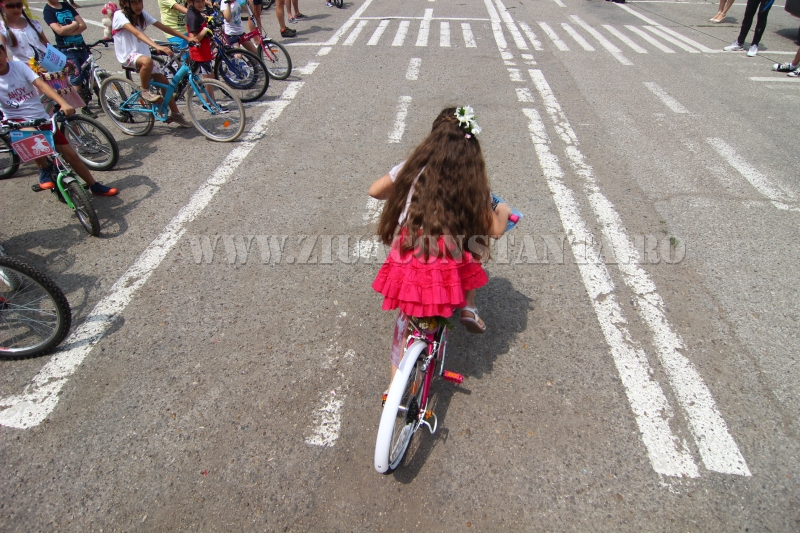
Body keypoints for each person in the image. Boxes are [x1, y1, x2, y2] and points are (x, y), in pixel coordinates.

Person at [369, 106, 512, 385]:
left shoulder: (411, 167)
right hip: (449, 258)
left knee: (405, 323)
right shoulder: (471, 182)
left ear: (432, 139)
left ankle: (392, 391)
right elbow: (495, 230)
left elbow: (374, 191)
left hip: (410, 254)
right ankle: (468, 307)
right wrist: (503, 209)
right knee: (473, 248)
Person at [0, 42, 117, 195]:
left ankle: (94, 185)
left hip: (40, 117)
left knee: (71, 155)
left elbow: (41, 85)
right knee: (32, 136)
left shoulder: (18, 67)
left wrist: (63, 103)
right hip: (17, 120)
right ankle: (43, 169)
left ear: (5, 53)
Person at [107, 0, 192, 126]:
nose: (139, 6)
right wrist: (157, 46)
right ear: (125, 3)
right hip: (127, 55)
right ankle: (144, 90)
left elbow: (164, 27)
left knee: (165, 83)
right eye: (135, 3)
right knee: (147, 61)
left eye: (140, 2)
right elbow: (137, 33)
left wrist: (187, 38)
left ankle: (175, 114)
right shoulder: (119, 15)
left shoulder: (141, 15)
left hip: (142, 54)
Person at [42, 0, 93, 116]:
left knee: (89, 72)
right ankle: (82, 105)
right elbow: (59, 31)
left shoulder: (65, 5)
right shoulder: (48, 11)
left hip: (80, 45)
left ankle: (100, 96)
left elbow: (83, 25)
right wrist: (74, 24)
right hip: (67, 48)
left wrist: (67, 30)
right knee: (76, 77)